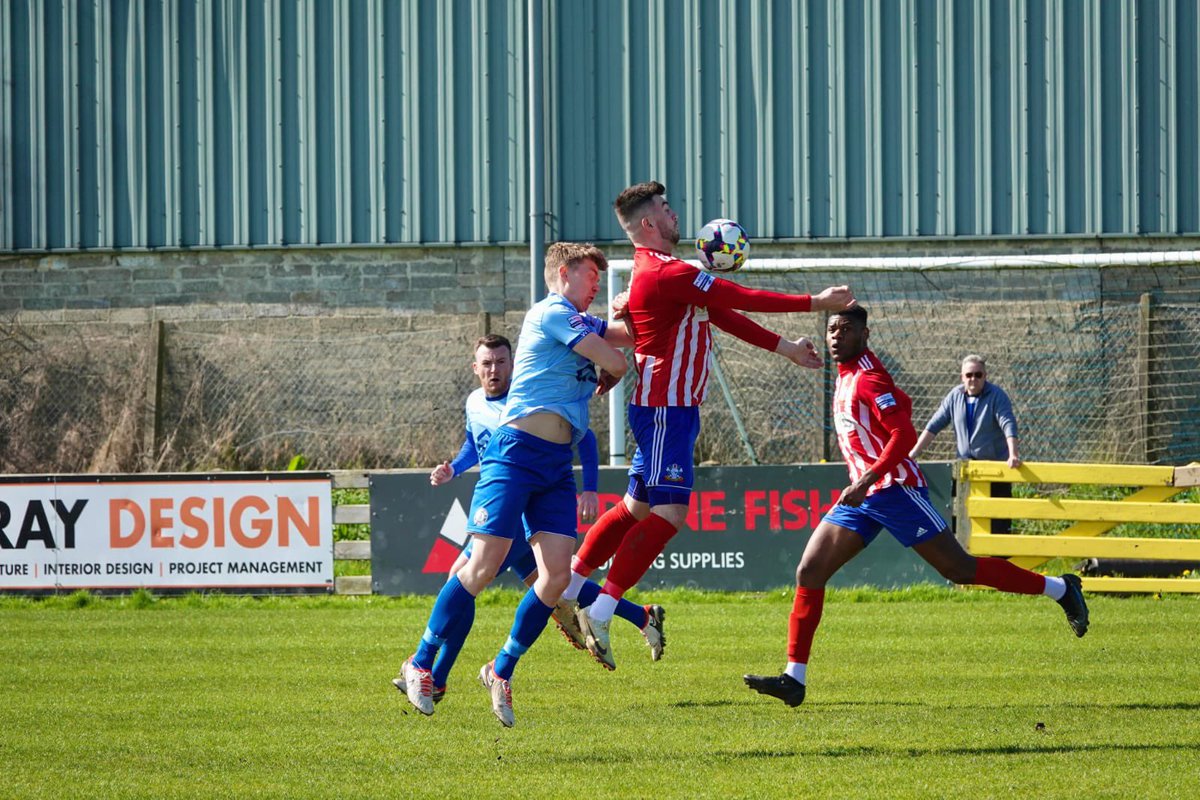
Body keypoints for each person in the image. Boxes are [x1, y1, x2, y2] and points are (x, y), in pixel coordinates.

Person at [563, 180, 857, 670]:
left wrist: (785, 348)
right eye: (666, 209)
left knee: (636, 507)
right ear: (648, 224)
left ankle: (573, 582)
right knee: (671, 513)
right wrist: (816, 302)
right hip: (665, 410)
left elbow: (722, 312)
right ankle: (601, 605)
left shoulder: (668, 274)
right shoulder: (665, 272)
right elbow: (739, 295)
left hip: (672, 410)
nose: (676, 215)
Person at [743, 306, 1089, 708]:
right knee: (810, 569)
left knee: (960, 569)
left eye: (846, 329)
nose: (836, 336)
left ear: (865, 334)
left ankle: (1062, 589)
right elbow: (901, 405)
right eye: (831, 329)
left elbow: (903, 434)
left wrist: (867, 480)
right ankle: (794, 678)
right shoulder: (847, 374)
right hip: (863, 496)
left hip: (894, 489)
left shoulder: (869, 377)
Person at [399, 242, 633, 727]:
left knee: (556, 578)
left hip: (553, 465)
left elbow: (623, 335)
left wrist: (645, 308)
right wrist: (617, 356)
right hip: (515, 454)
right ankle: (420, 662)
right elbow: (614, 357)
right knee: (481, 566)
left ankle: (500, 670)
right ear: (564, 273)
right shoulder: (550, 312)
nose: (596, 285)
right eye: (591, 275)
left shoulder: (579, 319)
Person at [393, 334, 665, 704]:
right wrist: (453, 469)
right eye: (487, 363)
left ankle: (436, 674)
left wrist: (591, 487)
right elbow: (474, 445)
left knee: (469, 578)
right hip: (502, 501)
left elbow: (582, 437)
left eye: (501, 362)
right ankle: (641, 616)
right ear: (475, 368)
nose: (494, 370)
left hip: (526, 506)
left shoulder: (527, 399)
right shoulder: (474, 403)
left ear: (514, 364)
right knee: (552, 583)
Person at [909, 354, 1021, 533]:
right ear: (962, 377)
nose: (973, 379)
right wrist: (913, 454)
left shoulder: (997, 396)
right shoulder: (955, 396)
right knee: (962, 522)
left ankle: (999, 560)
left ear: (985, 376)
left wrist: (1013, 454)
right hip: (966, 471)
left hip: (994, 470)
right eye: (969, 375)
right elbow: (934, 426)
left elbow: (1008, 423)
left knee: (997, 524)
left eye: (978, 375)